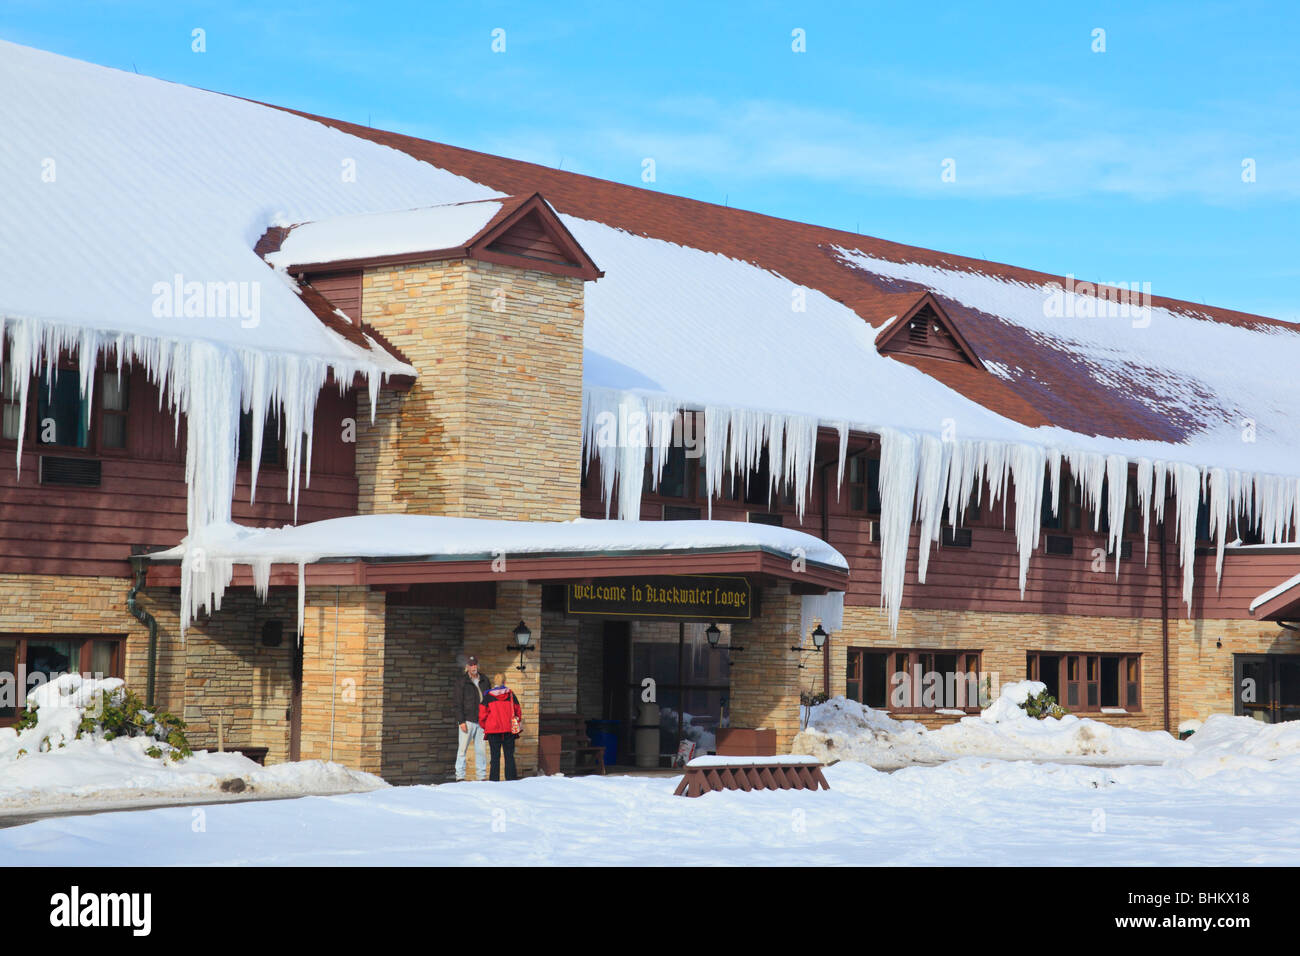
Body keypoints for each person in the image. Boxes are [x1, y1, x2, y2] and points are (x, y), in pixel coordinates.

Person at [479, 673, 523, 782]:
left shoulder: (488, 696)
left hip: (493, 731)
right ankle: (511, 780)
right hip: (509, 730)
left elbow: (482, 715)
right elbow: (518, 711)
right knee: (509, 757)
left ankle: (494, 782)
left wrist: (486, 726)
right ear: (505, 682)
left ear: (495, 682)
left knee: (495, 758)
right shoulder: (511, 695)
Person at [454, 656, 489, 781]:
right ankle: (460, 776)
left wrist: (488, 718)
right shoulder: (462, 681)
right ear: (467, 667)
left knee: (481, 750)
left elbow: (488, 700)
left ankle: (481, 776)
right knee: (462, 750)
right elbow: (458, 703)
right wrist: (461, 721)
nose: (473, 667)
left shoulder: (484, 680)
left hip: (481, 721)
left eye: (475, 664)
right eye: (471, 665)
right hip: (467, 720)